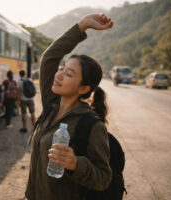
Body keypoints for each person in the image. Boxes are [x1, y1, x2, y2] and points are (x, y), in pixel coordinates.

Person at [25, 14, 114, 200]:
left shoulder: (91, 125)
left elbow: (103, 178)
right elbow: (50, 57)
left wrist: (75, 164)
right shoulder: (52, 104)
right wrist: (82, 25)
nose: (59, 75)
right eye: (62, 69)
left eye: (69, 74)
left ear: (83, 88)